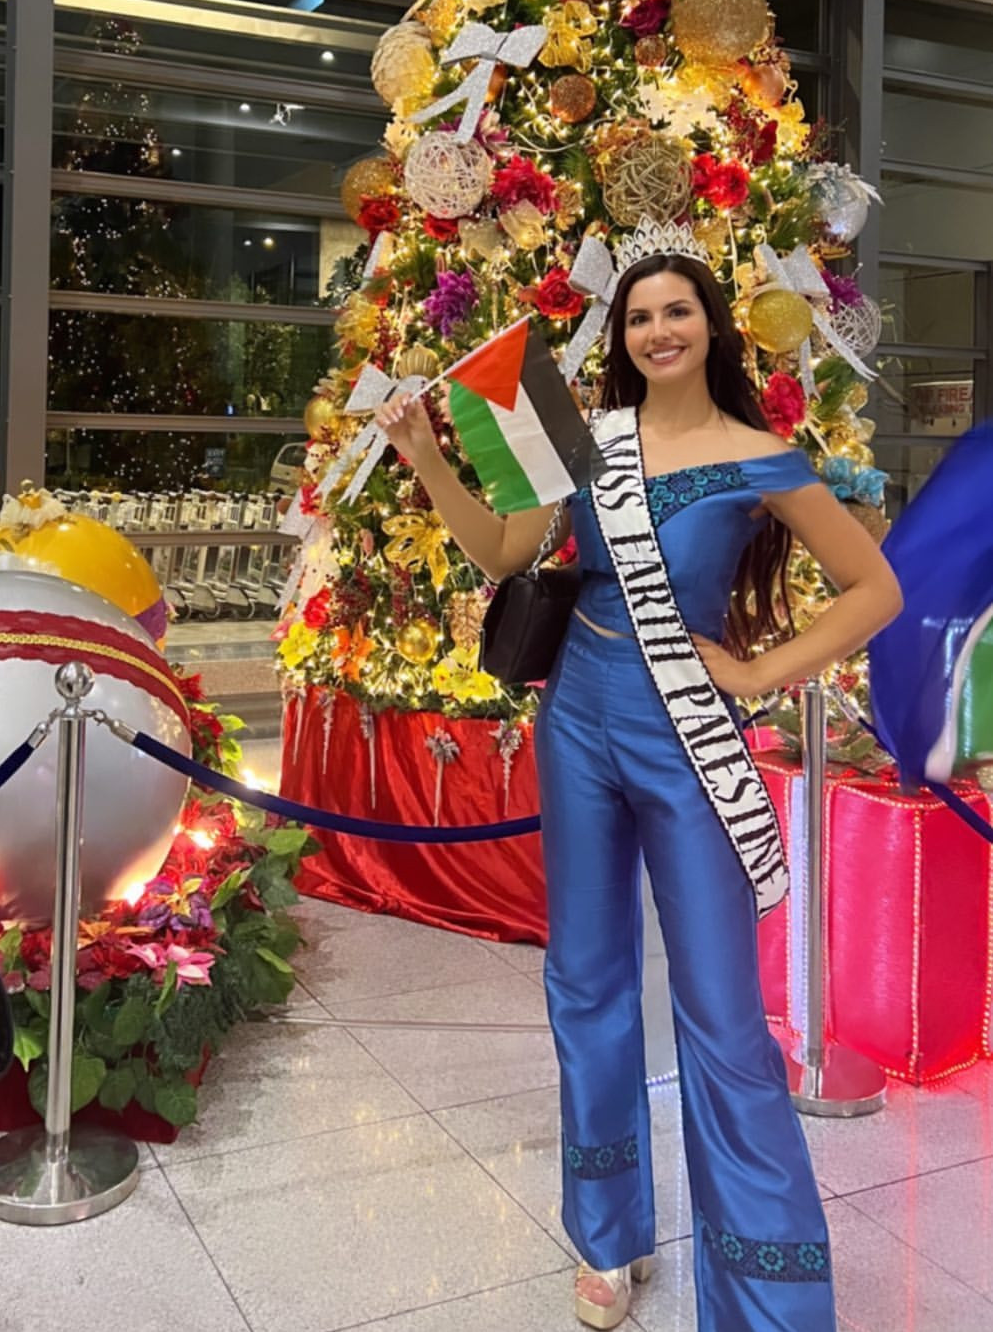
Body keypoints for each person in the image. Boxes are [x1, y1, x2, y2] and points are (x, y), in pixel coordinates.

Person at [375, 244, 902, 1332]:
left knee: (719, 1016)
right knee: (587, 984)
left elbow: (874, 586)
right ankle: (609, 1239)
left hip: (687, 742)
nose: (658, 330)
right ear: (620, 339)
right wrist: (430, 459)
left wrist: (759, 669)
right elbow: (505, 549)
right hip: (577, 723)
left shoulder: (763, 458)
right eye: (638, 316)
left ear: (711, 325)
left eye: (677, 311)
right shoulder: (588, 448)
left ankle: (767, 1295)